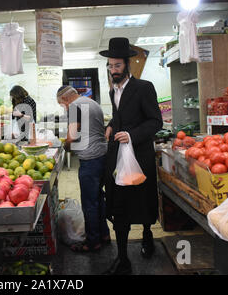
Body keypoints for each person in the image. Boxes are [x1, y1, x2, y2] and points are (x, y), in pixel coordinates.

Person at [100, 38, 163, 275]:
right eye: (109, 66)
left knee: (144, 200)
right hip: (117, 157)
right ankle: (123, 257)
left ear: (127, 64)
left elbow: (155, 121)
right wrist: (110, 125)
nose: (112, 70)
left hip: (140, 156)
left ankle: (147, 234)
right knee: (119, 205)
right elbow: (120, 115)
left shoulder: (144, 87)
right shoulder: (112, 90)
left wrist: (131, 135)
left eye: (116, 66)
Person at [57, 85, 110, 252]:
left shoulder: (74, 107)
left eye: (61, 104)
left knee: (89, 203)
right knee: (98, 198)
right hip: (103, 156)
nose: (64, 108)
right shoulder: (91, 102)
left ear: (65, 99)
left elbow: (71, 137)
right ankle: (104, 234)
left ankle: (93, 242)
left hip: (90, 159)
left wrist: (64, 146)